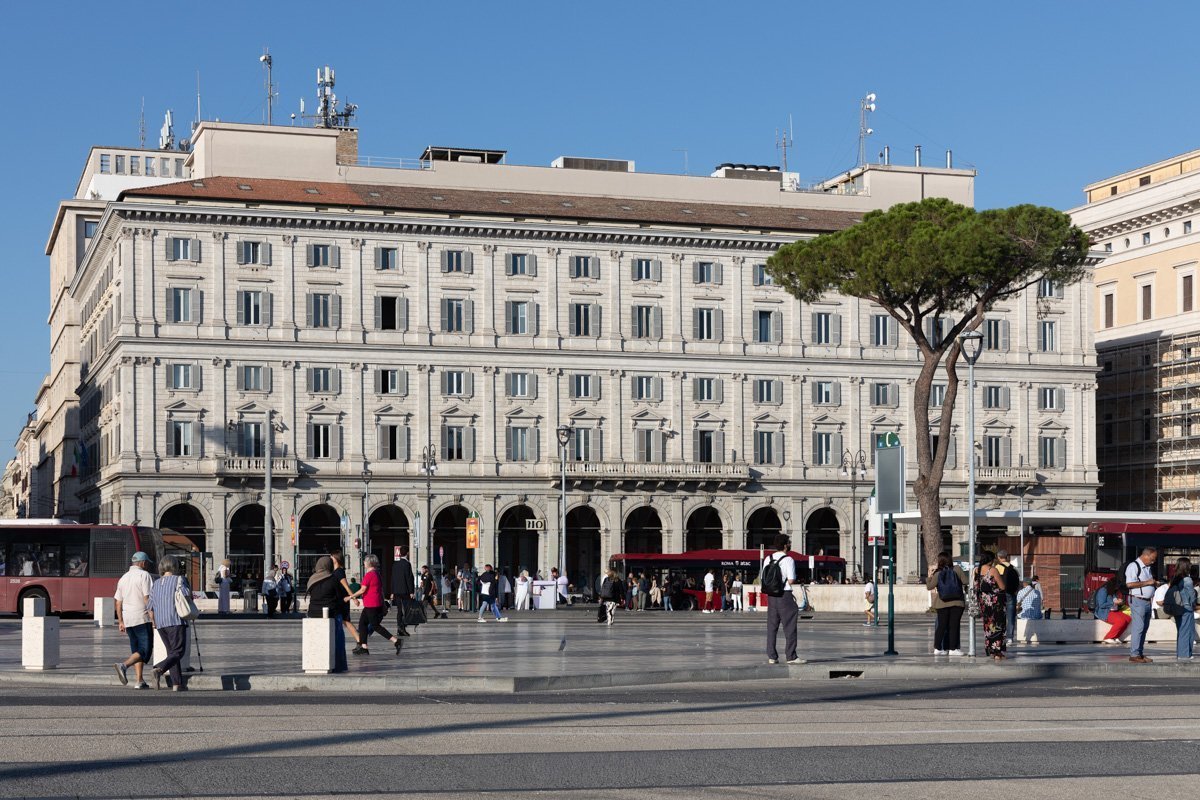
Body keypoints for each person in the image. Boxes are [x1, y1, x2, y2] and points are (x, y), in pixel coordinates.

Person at [147, 556, 191, 691]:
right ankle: (159, 669)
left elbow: (150, 606)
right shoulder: (179, 580)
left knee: (171, 653)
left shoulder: (156, 583)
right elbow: (187, 595)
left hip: (160, 623)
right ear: (175, 566)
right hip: (175, 620)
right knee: (178, 651)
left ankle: (177, 683)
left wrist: (154, 622)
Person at [112, 551, 154, 689]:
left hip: (128, 619)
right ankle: (123, 666)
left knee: (136, 650)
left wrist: (120, 621)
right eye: (146, 562)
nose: (147, 565)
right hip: (142, 617)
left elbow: (118, 601)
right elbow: (147, 598)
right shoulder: (144, 575)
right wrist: (153, 617)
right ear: (142, 563)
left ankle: (139, 680)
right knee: (145, 651)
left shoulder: (123, 578)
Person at [345, 554, 402, 656]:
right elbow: (381, 591)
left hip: (371, 604)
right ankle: (364, 647)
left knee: (375, 626)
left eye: (365, 562)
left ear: (369, 563)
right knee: (362, 624)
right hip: (374, 604)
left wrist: (350, 597)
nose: (364, 563)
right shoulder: (377, 574)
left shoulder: (369, 575)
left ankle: (396, 641)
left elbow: (363, 590)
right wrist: (383, 605)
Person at [763, 534, 804, 665]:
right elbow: (791, 580)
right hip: (784, 595)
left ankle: (772, 656)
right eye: (789, 542)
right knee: (790, 626)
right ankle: (791, 656)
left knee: (772, 627)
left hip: (771, 596)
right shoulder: (788, 559)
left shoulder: (768, 558)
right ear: (785, 545)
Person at [305, 556, 347, 672]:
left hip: (313, 613)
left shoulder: (312, 579)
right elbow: (339, 597)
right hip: (331, 613)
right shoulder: (333, 579)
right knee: (339, 638)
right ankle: (339, 665)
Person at [926, 552, 969, 656]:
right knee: (954, 626)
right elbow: (966, 581)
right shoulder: (957, 569)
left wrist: (929, 577)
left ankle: (937, 648)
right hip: (957, 602)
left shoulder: (938, 573)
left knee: (941, 626)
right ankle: (953, 649)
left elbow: (930, 586)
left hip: (942, 603)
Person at [1125, 546, 1161, 664]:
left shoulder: (1147, 568)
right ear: (1145, 555)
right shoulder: (1133, 566)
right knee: (1138, 627)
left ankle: (1139, 653)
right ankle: (1134, 654)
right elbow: (1129, 584)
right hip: (1137, 600)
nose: (1153, 561)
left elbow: (1147, 583)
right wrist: (1148, 583)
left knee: (1144, 628)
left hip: (1146, 601)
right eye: (1152, 558)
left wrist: (1154, 584)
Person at [975, 551, 1007, 662]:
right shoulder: (993, 570)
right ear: (990, 559)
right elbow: (1002, 587)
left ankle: (991, 649)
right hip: (996, 603)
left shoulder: (976, 570)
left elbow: (976, 586)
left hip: (984, 603)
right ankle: (997, 652)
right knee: (998, 626)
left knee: (988, 627)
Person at [331, 553, 365, 650]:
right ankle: (359, 641)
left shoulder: (339, 572)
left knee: (346, 622)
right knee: (344, 622)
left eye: (332, 556)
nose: (330, 558)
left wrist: (354, 599)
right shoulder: (336, 571)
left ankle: (360, 641)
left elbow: (346, 586)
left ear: (336, 559)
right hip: (338, 600)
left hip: (342, 601)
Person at [1167, 557, 1197, 660]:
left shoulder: (1175, 578)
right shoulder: (1187, 580)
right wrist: (1194, 604)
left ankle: (1182, 653)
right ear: (1186, 566)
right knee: (1187, 632)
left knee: (1181, 631)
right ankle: (1184, 655)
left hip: (1178, 608)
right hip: (1186, 608)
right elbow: (1192, 596)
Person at [1094, 574, 1131, 645]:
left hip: (1114, 610)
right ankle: (1108, 637)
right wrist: (1114, 603)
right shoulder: (1103, 590)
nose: (1117, 588)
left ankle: (1116, 636)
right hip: (1105, 612)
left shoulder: (1112, 591)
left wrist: (1120, 602)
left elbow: (1115, 601)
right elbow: (1101, 605)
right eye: (1117, 586)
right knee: (1121, 621)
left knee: (1128, 618)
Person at [994, 550, 1020, 645]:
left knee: (1000, 615)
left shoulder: (997, 567)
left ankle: (1001, 634)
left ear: (998, 557)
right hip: (1012, 594)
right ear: (1007, 557)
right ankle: (1010, 637)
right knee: (1011, 616)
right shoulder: (1013, 568)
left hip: (1001, 594)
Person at [389, 545, 416, 637]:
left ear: (400, 553)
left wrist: (392, 591)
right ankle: (402, 628)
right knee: (406, 610)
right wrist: (412, 591)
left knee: (399, 610)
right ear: (407, 553)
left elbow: (392, 578)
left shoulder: (395, 564)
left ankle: (399, 628)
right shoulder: (407, 564)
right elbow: (409, 578)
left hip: (396, 591)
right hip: (405, 591)